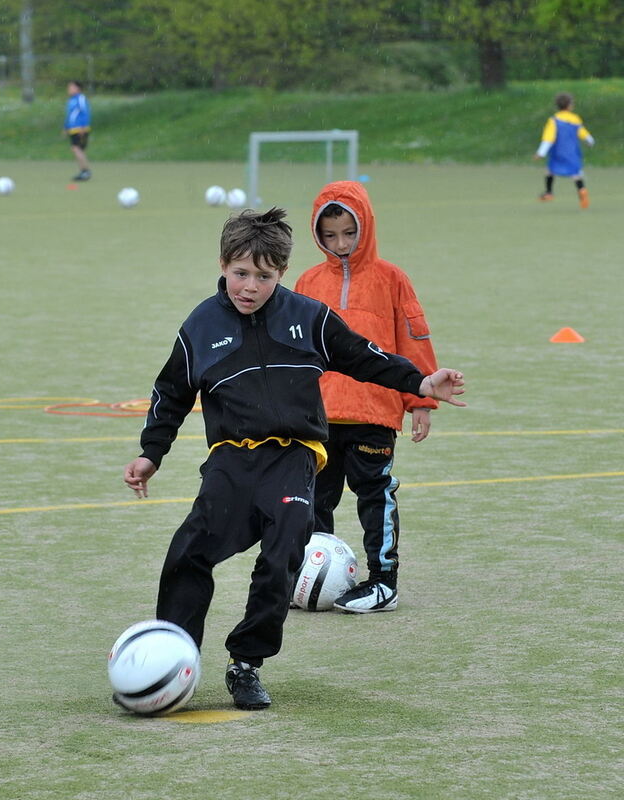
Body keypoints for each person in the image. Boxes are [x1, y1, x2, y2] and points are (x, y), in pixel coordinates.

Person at [123, 207, 466, 710]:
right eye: (240, 273)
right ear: (222, 265)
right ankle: (173, 656)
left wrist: (418, 383)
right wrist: (151, 453)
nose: (249, 286)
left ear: (281, 274)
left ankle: (246, 664)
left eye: (263, 276)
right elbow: (171, 392)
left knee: (283, 552)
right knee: (188, 551)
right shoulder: (200, 325)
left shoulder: (308, 317)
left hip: (293, 459)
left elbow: (363, 357)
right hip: (230, 461)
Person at [294, 181, 438, 615]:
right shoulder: (308, 280)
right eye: (330, 235)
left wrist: (421, 401)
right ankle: (308, 580)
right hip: (318, 416)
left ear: (366, 227)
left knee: (375, 494)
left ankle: (383, 582)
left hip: (373, 412)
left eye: (349, 233)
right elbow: (295, 348)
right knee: (313, 500)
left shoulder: (392, 279)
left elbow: (413, 341)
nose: (340, 244)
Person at [534, 92, 595, 208]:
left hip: (558, 152)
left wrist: (541, 152)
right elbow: (582, 132)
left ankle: (548, 192)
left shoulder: (554, 120)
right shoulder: (575, 119)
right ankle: (582, 191)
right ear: (570, 106)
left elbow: (548, 138)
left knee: (550, 170)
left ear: (557, 106)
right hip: (572, 152)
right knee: (575, 174)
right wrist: (590, 140)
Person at [63, 80, 92, 181]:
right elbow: (69, 115)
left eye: (71, 87)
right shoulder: (71, 100)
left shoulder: (81, 98)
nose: (69, 89)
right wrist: (66, 127)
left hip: (80, 129)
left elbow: (85, 112)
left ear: (77, 88)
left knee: (77, 149)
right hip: (72, 129)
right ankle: (83, 171)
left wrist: (83, 127)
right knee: (77, 150)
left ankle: (85, 171)